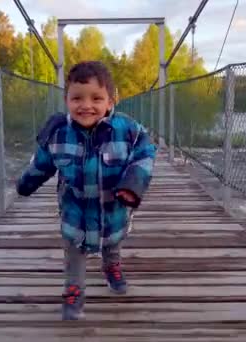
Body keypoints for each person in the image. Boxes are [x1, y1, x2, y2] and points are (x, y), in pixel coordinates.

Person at [16, 60, 157, 320]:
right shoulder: (58, 133)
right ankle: (74, 291)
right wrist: (25, 184)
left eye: (96, 98)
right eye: (77, 98)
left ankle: (112, 266)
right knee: (74, 251)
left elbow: (145, 153)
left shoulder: (127, 130)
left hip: (112, 209)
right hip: (75, 212)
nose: (86, 105)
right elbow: (42, 163)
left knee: (112, 242)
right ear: (67, 100)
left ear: (110, 102)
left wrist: (133, 184)